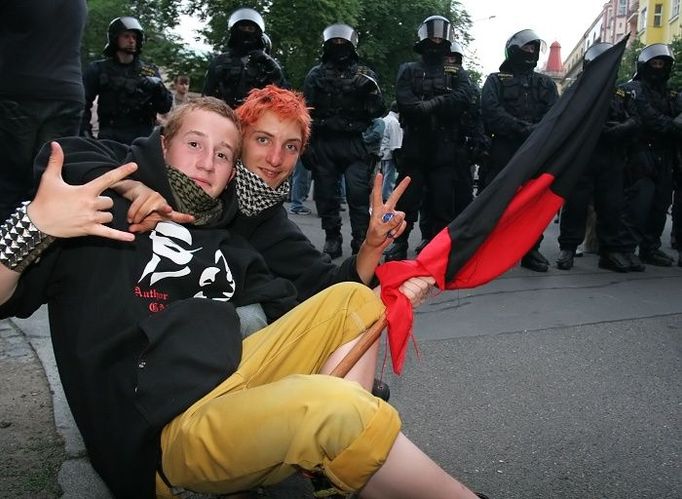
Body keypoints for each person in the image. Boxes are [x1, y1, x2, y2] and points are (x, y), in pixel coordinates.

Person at [0, 97, 483, 499]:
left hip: (231, 377)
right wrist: (35, 226)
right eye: (194, 144)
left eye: (223, 154)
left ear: (233, 170)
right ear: (161, 146)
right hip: (163, 432)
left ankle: (333, 461)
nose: (208, 161)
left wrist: (380, 261)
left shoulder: (228, 234)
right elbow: (66, 155)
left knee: (353, 303)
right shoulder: (96, 220)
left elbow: (310, 293)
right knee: (336, 407)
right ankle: (344, 440)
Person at [383, 15, 476, 262]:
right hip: (415, 144)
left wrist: (433, 104)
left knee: (442, 201)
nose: (436, 40)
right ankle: (399, 242)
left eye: (440, 36)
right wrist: (431, 107)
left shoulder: (455, 69)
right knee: (407, 199)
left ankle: (437, 250)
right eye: (432, 35)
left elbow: (465, 96)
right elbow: (406, 102)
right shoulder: (409, 69)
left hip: (445, 146)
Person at [302, 23, 386, 259]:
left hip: (354, 143)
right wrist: (305, 146)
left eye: (343, 43)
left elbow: (378, 110)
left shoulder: (365, 75)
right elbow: (304, 112)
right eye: (334, 43)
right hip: (324, 141)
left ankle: (360, 240)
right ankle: (332, 237)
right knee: (326, 194)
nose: (339, 46)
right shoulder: (316, 74)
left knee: (358, 194)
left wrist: (370, 92)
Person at [0, 0, 87, 222]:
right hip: (68, 92)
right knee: (48, 185)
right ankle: (42, 253)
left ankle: (6, 252)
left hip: (19, 90)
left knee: (8, 186)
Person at [555, 42, 639, 273]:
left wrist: (625, 126)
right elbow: (566, 121)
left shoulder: (621, 92)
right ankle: (569, 248)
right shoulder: (579, 90)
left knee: (611, 206)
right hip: (584, 156)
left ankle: (609, 251)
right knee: (576, 205)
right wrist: (600, 128)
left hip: (612, 157)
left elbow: (635, 117)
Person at [480, 29, 559, 272]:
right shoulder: (495, 80)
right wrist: (521, 128)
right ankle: (487, 249)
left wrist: (536, 132)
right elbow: (491, 112)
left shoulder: (545, 83)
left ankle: (530, 250)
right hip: (504, 148)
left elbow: (555, 114)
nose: (531, 52)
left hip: (535, 151)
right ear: (514, 50)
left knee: (532, 203)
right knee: (494, 200)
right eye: (527, 48)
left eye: (535, 49)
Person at [620, 43, 681, 267]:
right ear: (645, 65)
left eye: (662, 64)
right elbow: (648, 117)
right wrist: (673, 124)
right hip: (640, 151)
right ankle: (626, 248)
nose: (658, 67)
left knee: (660, 203)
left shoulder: (671, 92)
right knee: (638, 202)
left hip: (665, 154)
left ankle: (650, 247)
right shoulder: (633, 88)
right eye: (654, 63)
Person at [81, 16, 173, 145]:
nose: (131, 41)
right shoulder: (98, 69)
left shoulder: (149, 71)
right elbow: (83, 103)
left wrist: (158, 87)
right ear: (115, 38)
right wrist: (86, 134)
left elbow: (164, 108)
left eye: (134, 37)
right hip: (109, 138)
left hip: (141, 140)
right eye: (126, 36)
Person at [202, 7, 286, 108]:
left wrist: (270, 64)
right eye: (242, 27)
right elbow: (206, 97)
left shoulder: (267, 65)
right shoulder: (220, 62)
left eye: (250, 28)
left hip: (257, 118)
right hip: (224, 117)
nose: (246, 32)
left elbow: (283, 95)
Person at [380, 101, 403, 201]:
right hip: (390, 154)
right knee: (389, 179)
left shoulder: (385, 119)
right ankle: (387, 198)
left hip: (382, 153)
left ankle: (383, 197)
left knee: (384, 177)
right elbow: (395, 144)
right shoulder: (394, 122)